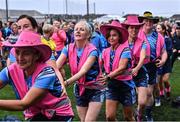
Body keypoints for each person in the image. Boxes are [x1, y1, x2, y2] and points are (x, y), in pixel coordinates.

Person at [0, 31, 74, 121]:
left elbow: (24, 104)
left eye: (26, 53)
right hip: (35, 114)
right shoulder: (10, 70)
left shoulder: (46, 73)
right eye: (17, 52)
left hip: (59, 115)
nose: (20, 57)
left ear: (37, 55)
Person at [56, 20, 105, 121]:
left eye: (82, 30)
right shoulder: (68, 48)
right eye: (76, 29)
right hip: (80, 88)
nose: (78, 31)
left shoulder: (93, 50)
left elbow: (83, 71)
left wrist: (66, 83)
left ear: (88, 35)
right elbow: (56, 66)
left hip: (95, 89)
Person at [99, 20, 136, 121]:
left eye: (114, 35)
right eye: (109, 35)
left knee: (128, 117)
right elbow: (98, 65)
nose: (111, 38)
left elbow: (122, 68)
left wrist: (107, 77)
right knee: (109, 117)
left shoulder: (126, 49)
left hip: (126, 86)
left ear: (119, 37)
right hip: (112, 86)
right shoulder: (105, 51)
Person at [138, 11, 167, 121]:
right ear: (142, 22)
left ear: (153, 23)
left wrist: (163, 60)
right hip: (137, 67)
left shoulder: (158, 36)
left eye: (150, 21)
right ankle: (139, 113)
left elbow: (164, 52)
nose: (148, 23)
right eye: (146, 21)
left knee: (149, 93)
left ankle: (148, 114)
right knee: (141, 97)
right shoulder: (137, 33)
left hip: (152, 66)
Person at [122, 15, 149, 121]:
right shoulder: (122, 43)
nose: (134, 30)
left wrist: (137, 68)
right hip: (126, 73)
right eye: (131, 27)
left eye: (136, 28)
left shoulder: (142, 42)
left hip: (140, 71)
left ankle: (140, 115)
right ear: (127, 29)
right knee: (130, 101)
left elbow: (142, 57)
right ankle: (133, 117)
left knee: (142, 102)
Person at [155, 23, 173, 105]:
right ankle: (161, 93)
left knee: (164, 80)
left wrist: (163, 57)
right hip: (158, 62)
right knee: (158, 80)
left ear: (163, 30)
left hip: (166, 62)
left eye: (158, 28)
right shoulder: (155, 39)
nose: (156, 30)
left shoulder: (167, 39)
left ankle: (168, 90)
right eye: (156, 28)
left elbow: (169, 51)